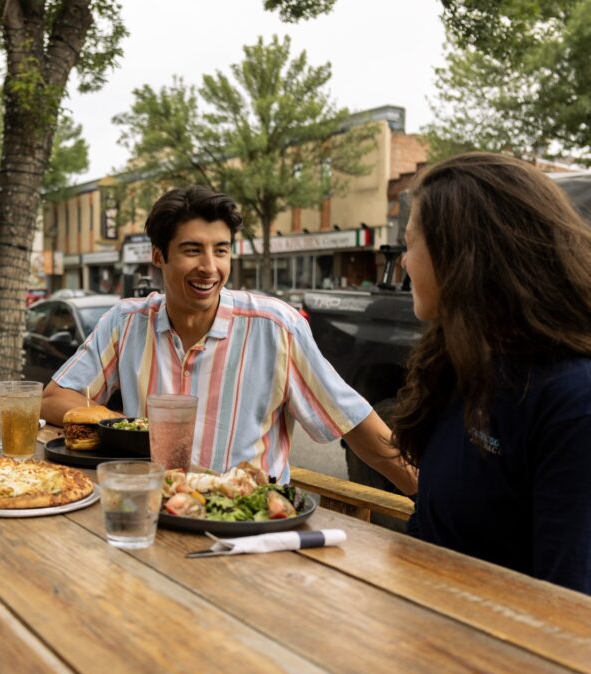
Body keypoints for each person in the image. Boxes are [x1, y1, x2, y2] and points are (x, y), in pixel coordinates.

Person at [42, 186, 416, 493]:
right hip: (157, 514)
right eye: (192, 250)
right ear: (159, 256)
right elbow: (54, 398)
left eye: (220, 250)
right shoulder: (126, 322)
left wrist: (431, 503)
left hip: (249, 526)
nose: (210, 267)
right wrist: (125, 427)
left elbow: (359, 427)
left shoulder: (276, 327)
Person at [393, 153, 591, 594]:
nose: (403, 264)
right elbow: (430, 528)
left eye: (409, 244)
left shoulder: (573, 399)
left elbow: (568, 606)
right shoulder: (455, 363)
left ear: (457, 255)